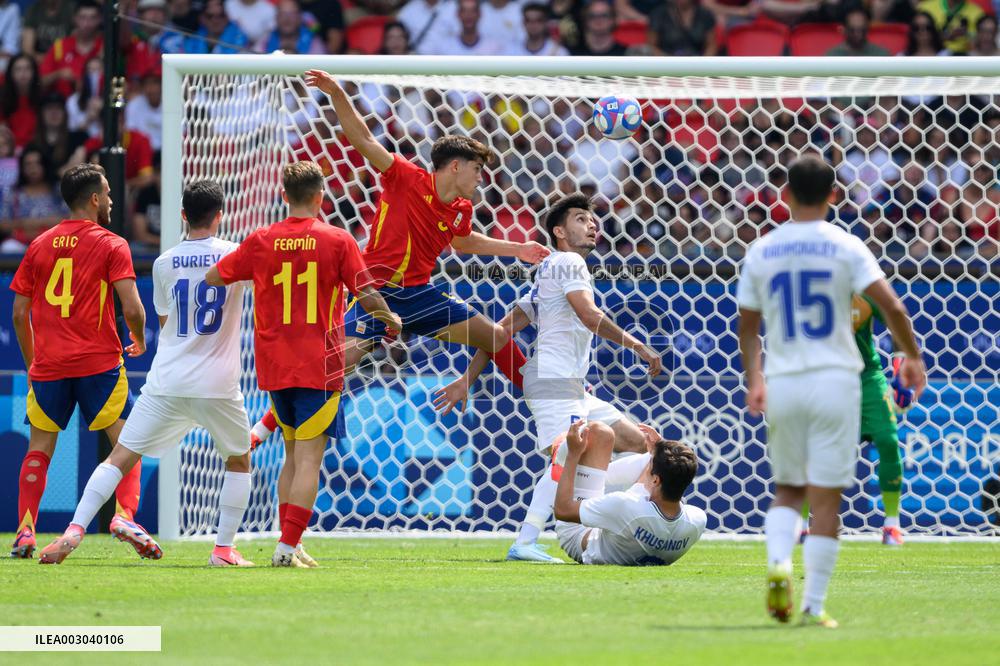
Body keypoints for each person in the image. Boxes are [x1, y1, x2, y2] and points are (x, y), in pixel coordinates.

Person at [245, 69, 549, 446]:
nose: (480, 179)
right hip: (376, 295)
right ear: (456, 166)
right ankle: (261, 429)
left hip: (419, 296)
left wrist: (516, 249)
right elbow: (363, 139)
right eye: (477, 169)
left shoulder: (459, 209)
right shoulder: (403, 176)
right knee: (328, 367)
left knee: (497, 336)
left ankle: (543, 403)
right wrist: (338, 92)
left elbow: (463, 241)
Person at [736, 154, 926, 628]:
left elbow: (746, 326)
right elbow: (895, 309)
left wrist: (754, 380)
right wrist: (913, 358)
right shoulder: (847, 247)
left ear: (784, 195)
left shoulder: (763, 249)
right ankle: (814, 606)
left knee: (787, 489)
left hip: (784, 379)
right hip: (837, 381)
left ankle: (780, 563)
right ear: (833, 196)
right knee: (825, 499)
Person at [434, 194, 661, 562]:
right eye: (580, 219)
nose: (591, 224)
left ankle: (601, 507)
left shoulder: (548, 272)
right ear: (559, 231)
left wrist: (466, 379)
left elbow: (500, 331)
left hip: (573, 386)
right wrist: (637, 344)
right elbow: (589, 316)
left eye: (592, 219)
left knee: (639, 443)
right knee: (566, 454)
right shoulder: (569, 263)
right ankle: (526, 541)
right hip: (553, 380)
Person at [39, 181, 256, 566]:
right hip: (218, 384)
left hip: (168, 379)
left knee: (118, 457)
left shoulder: (163, 262)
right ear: (221, 215)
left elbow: (164, 320)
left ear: (183, 215)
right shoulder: (236, 255)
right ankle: (223, 550)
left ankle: (73, 532)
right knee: (238, 462)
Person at [206, 161, 401, 567]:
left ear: (283, 196)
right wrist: (390, 318)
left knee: (292, 457)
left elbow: (213, 277)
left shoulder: (261, 239)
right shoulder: (337, 240)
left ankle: (289, 542)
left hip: (274, 364)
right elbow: (366, 295)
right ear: (320, 197)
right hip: (320, 364)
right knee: (310, 459)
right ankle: (286, 547)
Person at [8, 163, 148, 559]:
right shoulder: (111, 244)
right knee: (129, 443)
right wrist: (136, 337)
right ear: (93, 199)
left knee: (39, 449)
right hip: (99, 363)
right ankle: (125, 515)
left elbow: (19, 314)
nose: (111, 199)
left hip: (50, 366)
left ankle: (25, 531)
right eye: (106, 192)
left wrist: (35, 363)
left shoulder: (39, 245)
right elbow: (133, 308)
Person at [553, 420, 706, 566]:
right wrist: (656, 453)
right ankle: (590, 470)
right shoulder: (697, 520)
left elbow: (563, 510)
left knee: (599, 433)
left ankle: (561, 458)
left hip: (578, 534)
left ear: (655, 481)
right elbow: (660, 480)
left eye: (650, 464)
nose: (649, 462)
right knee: (656, 464)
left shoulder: (624, 505)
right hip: (628, 533)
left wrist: (573, 455)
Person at [0, 146, 68, 252]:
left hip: (53, 241)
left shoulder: (58, 190)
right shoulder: (13, 192)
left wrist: (39, 223)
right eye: (28, 164)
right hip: (22, 242)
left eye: (37, 163)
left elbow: (70, 218)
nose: (33, 168)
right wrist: (23, 224)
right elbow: (3, 224)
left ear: (45, 165)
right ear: (22, 167)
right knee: (8, 247)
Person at [39, 0, 103, 98]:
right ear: (75, 19)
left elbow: (118, 80)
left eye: (92, 18)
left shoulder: (106, 46)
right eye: (82, 18)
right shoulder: (60, 46)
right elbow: (40, 82)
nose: (87, 23)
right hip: (63, 108)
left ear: (100, 19)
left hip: (99, 105)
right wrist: (58, 74)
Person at [647, 0, 719, 56]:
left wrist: (703, 62)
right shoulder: (658, 14)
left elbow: (711, 45)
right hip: (666, 62)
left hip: (697, 62)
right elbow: (651, 46)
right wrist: (669, 61)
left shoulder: (705, 15)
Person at [433, 0, 505, 56]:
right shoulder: (443, 48)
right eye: (464, 11)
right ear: (458, 14)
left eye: (472, 11)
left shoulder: (493, 47)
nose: (468, 16)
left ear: (479, 14)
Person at [1, 54, 41, 149]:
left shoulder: (42, 98)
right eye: (18, 69)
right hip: (9, 151)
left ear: (34, 72)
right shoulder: (2, 100)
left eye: (27, 69)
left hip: (34, 151)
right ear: (11, 74)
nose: (23, 73)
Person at [916, 0, 984, 54]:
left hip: (963, 58)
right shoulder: (925, 8)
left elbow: (981, 42)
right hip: (932, 55)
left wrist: (967, 34)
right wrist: (947, 36)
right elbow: (916, 37)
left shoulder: (977, 12)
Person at [183, 0, 250, 54]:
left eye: (221, 15)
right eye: (210, 16)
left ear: (228, 17)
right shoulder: (191, 40)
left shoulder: (241, 39)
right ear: (202, 18)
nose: (215, 20)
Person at [505, 3, 569, 56]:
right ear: (523, 23)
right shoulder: (511, 51)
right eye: (528, 20)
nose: (533, 25)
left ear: (545, 23)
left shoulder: (559, 53)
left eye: (538, 20)